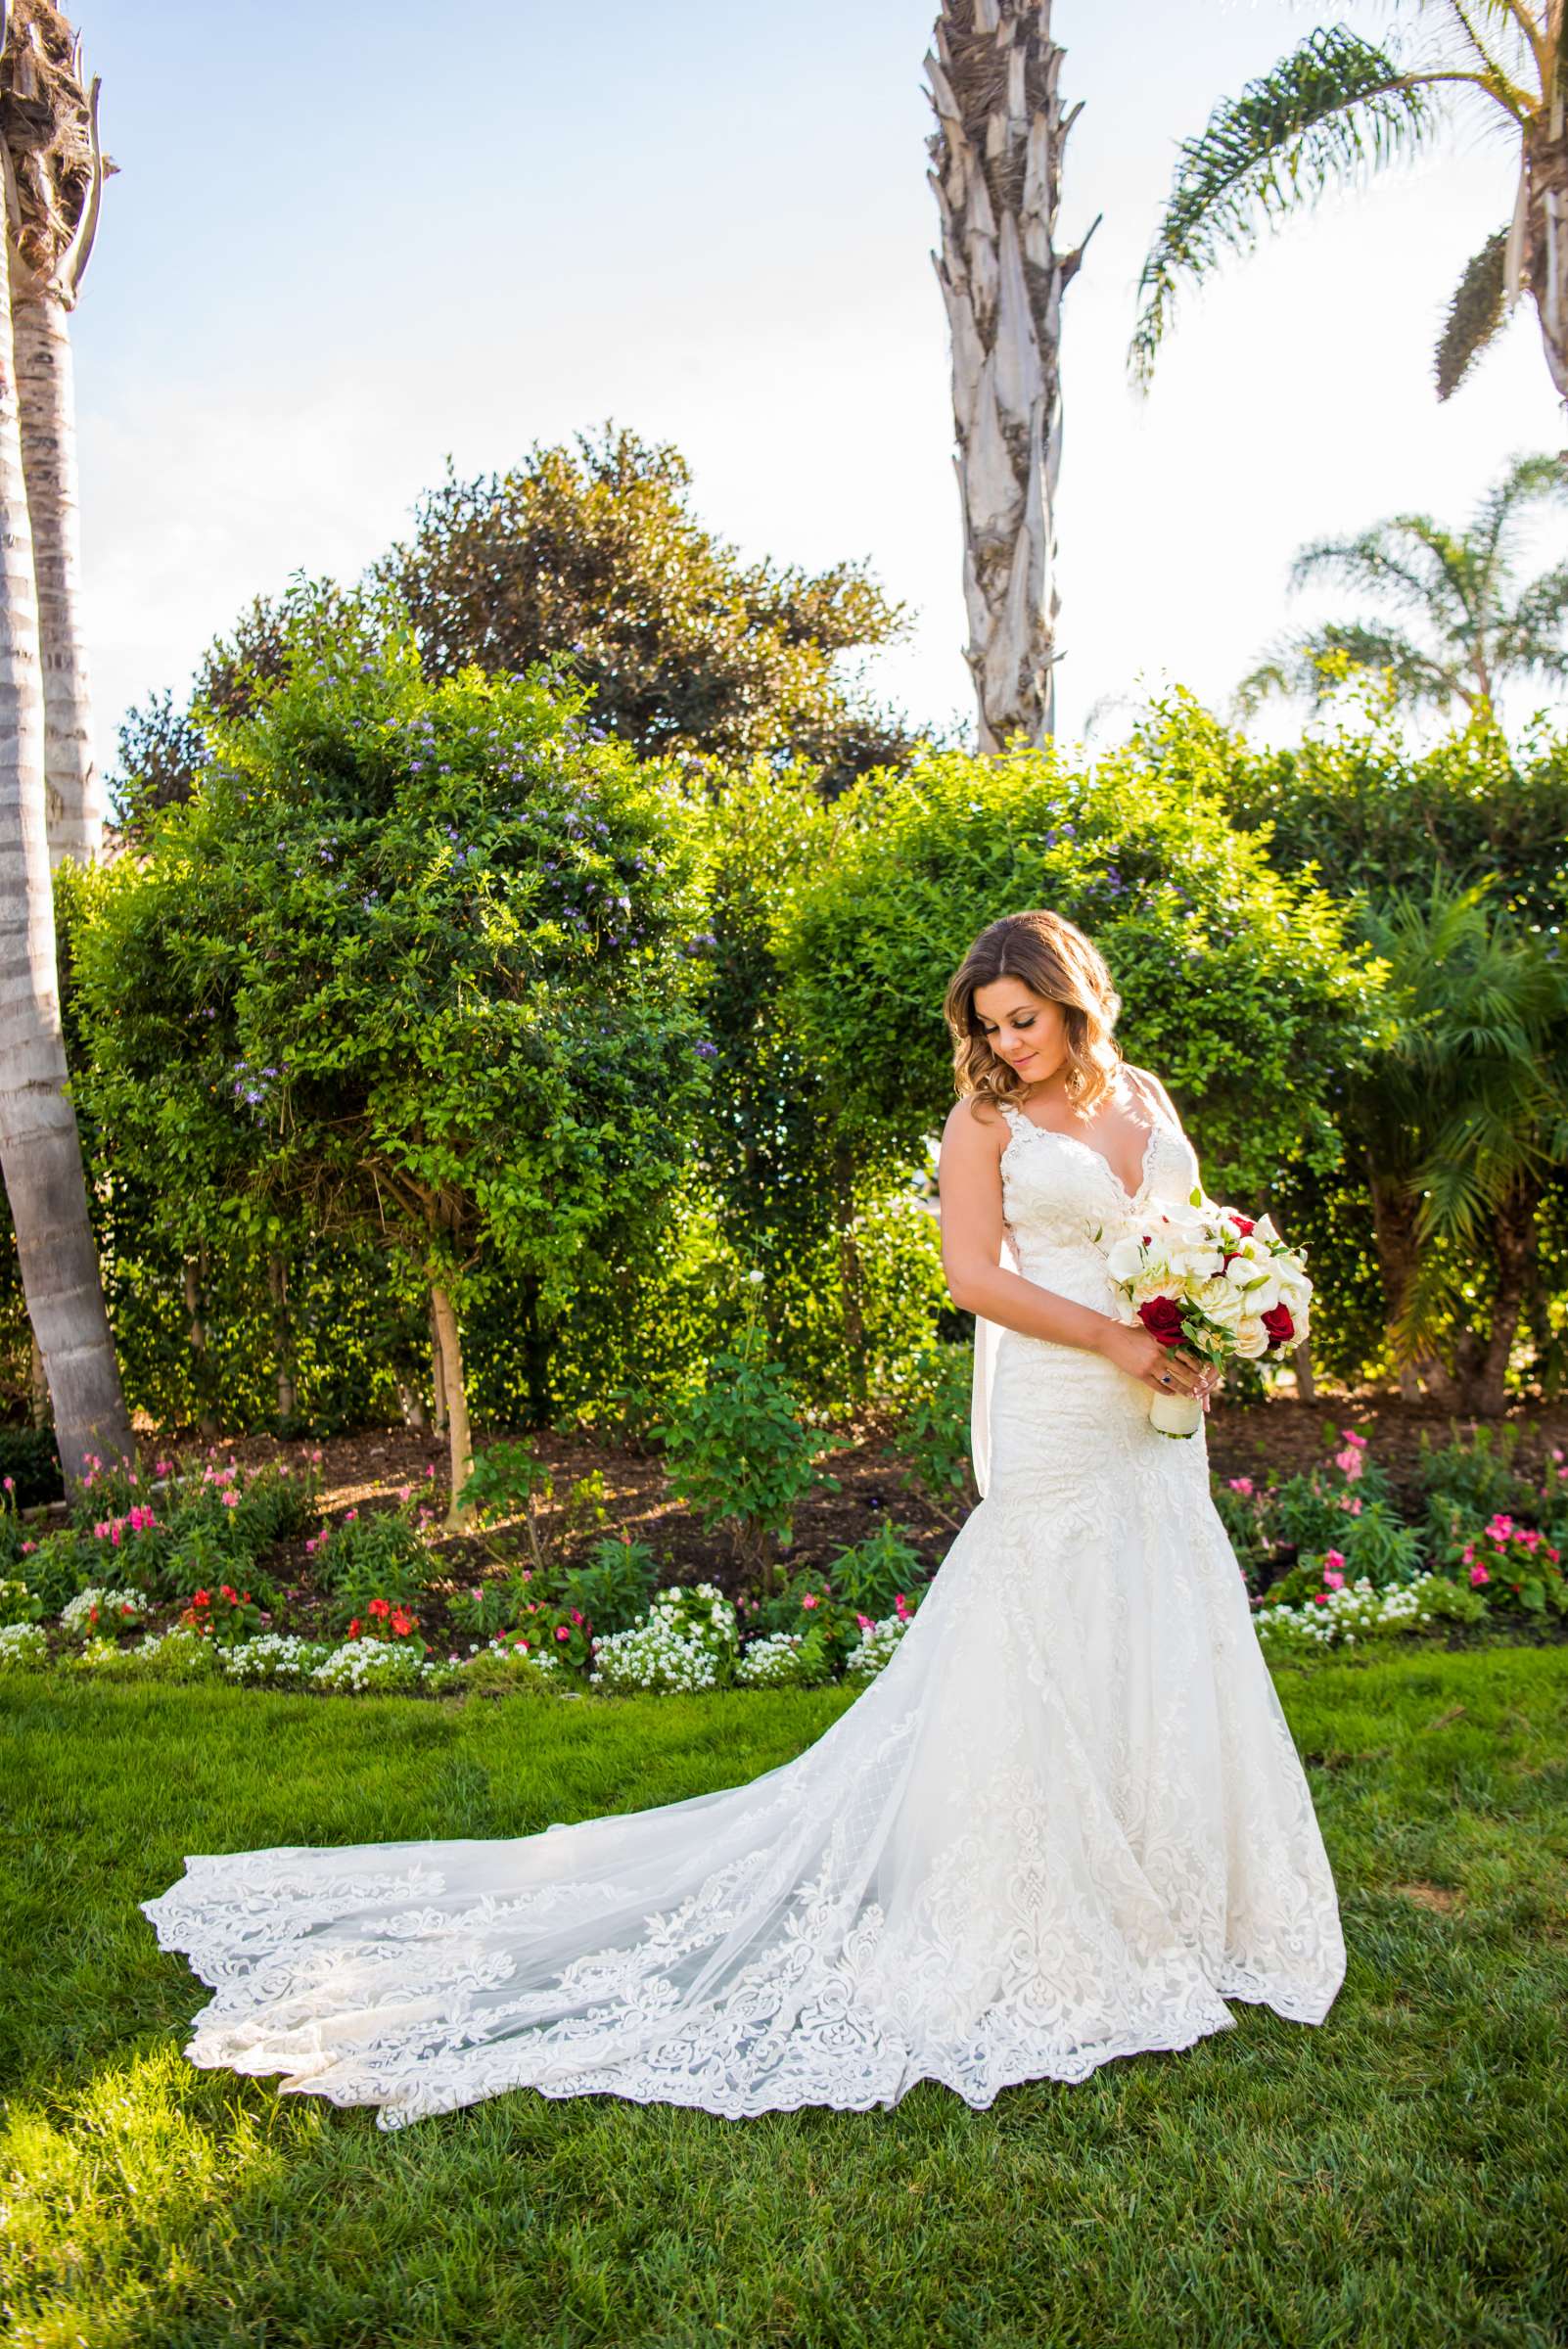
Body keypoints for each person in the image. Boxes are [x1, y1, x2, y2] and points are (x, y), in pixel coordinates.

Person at [140, 907, 1346, 2131]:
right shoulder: (981, 1122)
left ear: (1073, 998)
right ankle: (1040, 1896)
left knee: (1157, 1610)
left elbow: (1186, 1238)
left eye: (1023, 1020)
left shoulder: (1141, 1094)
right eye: (989, 1027)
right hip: (1061, 1386)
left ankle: (1176, 1883)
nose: (1008, 1044)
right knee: (1044, 1616)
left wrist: (1205, 1326)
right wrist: (1111, 1339)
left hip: (1153, 1408)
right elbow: (972, 1277)